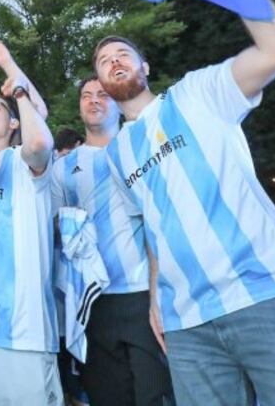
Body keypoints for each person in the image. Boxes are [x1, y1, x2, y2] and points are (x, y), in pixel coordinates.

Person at [92, 0, 275, 405]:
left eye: (122, 53)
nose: (112, 61)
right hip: (187, 324)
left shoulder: (196, 94)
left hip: (269, 294)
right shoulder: (116, 155)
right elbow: (153, 225)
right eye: (103, 60)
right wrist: (155, 298)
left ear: (145, 67)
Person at [52, 76, 172, 406]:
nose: (94, 100)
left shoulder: (141, 148)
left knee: (155, 396)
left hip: (143, 296)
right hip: (92, 303)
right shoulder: (63, 168)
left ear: (116, 103)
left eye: (102, 94)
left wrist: (156, 292)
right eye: (86, 96)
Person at [0, 36, 62, 406]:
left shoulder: (25, 163)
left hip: (23, 331)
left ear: (13, 123)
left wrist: (11, 71)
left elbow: (40, 140)